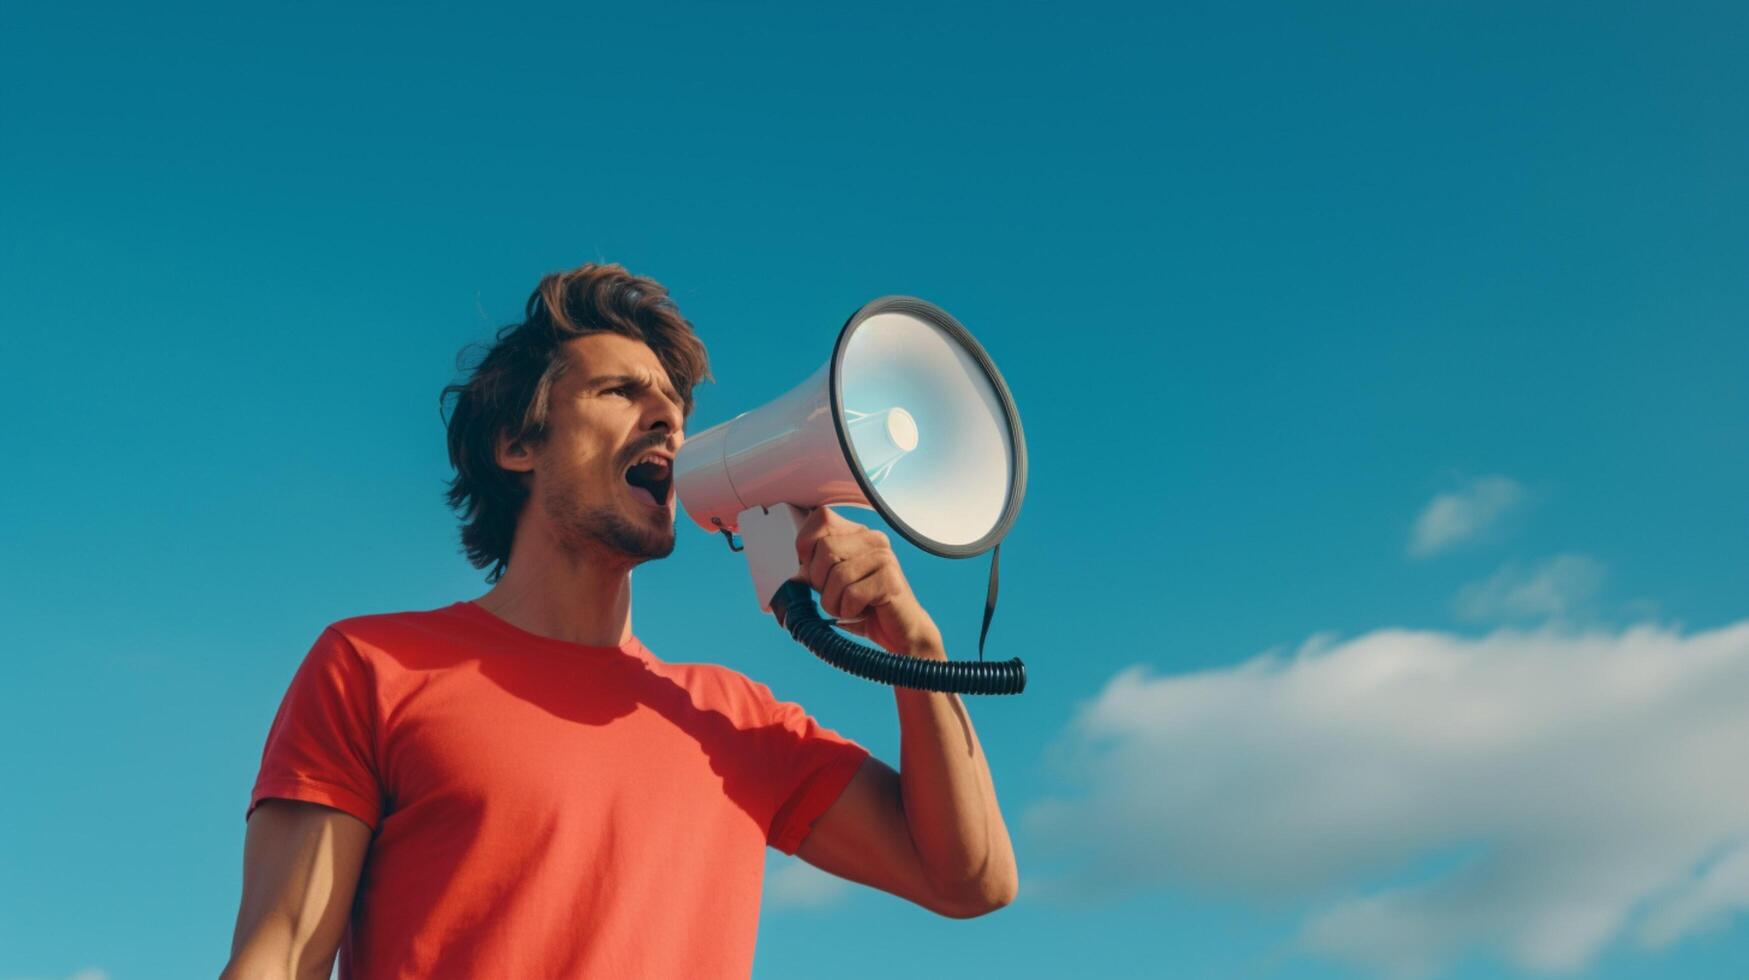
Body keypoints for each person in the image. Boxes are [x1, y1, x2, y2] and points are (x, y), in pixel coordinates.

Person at [221, 263, 1018, 979]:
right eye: (619, 391)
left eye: (674, 405)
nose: (666, 418)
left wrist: (915, 644)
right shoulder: (375, 665)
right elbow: (282, 957)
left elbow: (971, 881)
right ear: (515, 444)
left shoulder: (734, 722)